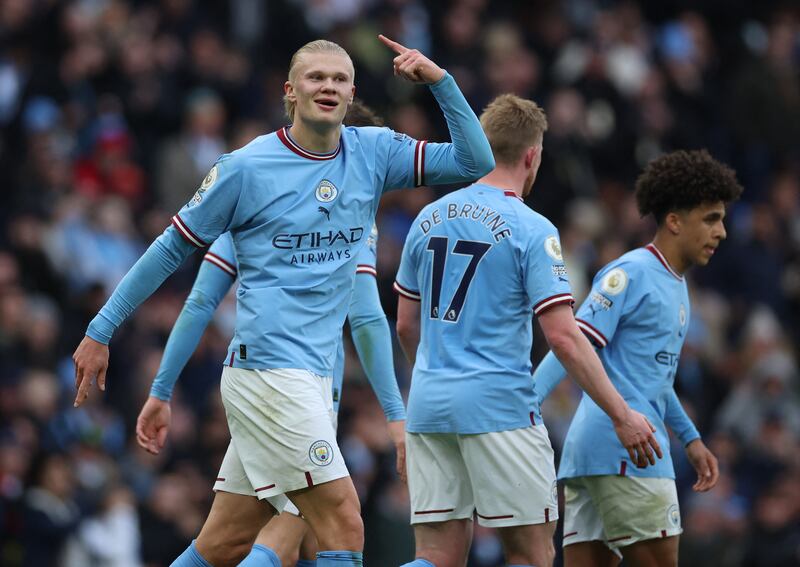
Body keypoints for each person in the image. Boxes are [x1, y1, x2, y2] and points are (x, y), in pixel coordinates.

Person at [72, 36, 495, 567]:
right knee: (342, 518)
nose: (329, 87)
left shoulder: (374, 152)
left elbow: (473, 160)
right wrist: (101, 330)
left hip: (314, 377)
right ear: (290, 92)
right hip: (270, 374)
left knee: (225, 541)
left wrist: (440, 82)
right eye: (316, 77)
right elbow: (170, 252)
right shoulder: (246, 168)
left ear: (352, 93)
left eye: (340, 80)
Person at [393, 94, 661, 567]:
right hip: (499, 406)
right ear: (532, 155)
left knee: (434, 555)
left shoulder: (426, 218)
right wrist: (621, 415)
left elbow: (406, 325)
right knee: (530, 554)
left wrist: (437, 375)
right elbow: (562, 336)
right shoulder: (531, 228)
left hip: (429, 403)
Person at [136, 101, 407, 567]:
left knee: (227, 541)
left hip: (294, 391)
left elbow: (200, 301)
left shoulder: (271, 203)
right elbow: (366, 318)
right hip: (285, 390)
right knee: (325, 523)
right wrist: (395, 415)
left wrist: (162, 389)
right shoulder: (305, 208)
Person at [533, 149, 743, 567]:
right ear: (674, 220)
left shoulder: (676, 285)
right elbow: (573, 343)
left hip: (593, 454)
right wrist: (526, 405)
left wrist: (691, 438)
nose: (721, 232)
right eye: (710, 218)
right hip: (630, 451)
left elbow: (654, 382)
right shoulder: (630, 273)